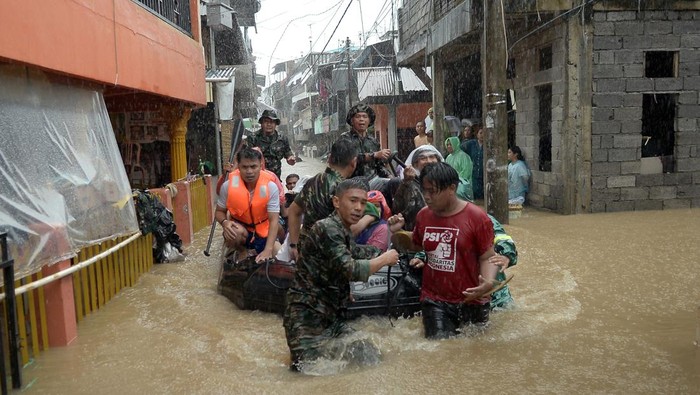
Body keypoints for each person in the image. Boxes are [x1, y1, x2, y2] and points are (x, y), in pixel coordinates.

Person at [283, 178, 400, 372]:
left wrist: (390, 233)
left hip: (331, 315)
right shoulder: (327, 228)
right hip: (307, 318)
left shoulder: (340, 229)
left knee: (369, 354)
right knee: (307, 376)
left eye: (363, 203)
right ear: (336, 202)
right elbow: (351, 269)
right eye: (352, 201)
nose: (358, 208)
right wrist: (385, 259)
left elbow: (356, 252)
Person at [399, 162, 498, 339]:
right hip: (434, 299)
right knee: (439, 350)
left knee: (477, 354)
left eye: (432, 191)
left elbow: (487, 257)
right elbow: (415, 245)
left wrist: (488, 282)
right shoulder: (423, 215)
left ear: (452, 188)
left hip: (471, 299)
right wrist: (396, 231)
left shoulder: (477, 217)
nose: (427, 197)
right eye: (424, 190)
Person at [287, 139, 366, 261]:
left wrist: (293, 245)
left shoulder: (314, 180)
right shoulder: (344, 191)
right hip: (331, 255)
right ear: (353, 162)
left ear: (329, 159)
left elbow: (293, 211)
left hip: (306, 251)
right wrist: (371, 216)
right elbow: (349, 229)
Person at [214, 147, 281, 262]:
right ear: (238, 166)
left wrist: (268, 250)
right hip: (242, 229)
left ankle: (260, 250)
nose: (249, 171)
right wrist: (225, 223)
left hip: (264, 230)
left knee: (278, 252)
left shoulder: (271, 187)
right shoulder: (228, 186)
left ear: (261, 165)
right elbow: (219, 212)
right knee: (233, 231)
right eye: (245, 167)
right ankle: (241, 251)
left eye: (253, 167)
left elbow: (274, 220)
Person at [392, 145, 473, 230]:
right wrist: (406, 183)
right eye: (423, 158)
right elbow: (397, 208)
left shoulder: (450, 181)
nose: (428, 161)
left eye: (432, 157)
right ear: (416, 164)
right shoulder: (409, 184)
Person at [340, 103, 391, 184]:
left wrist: (389, 176)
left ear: (369, 121)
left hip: (373, 181)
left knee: (396, 182)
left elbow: (379, 166)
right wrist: (374, 155)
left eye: (365, 116)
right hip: (352, 183)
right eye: (358, 116)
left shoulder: (373, 141)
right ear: (352, 121)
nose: (361, 119)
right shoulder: (345, 138)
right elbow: (350, 159)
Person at [246, 109, 295, 180]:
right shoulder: (253, 138)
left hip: (275, 178)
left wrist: (291, 159)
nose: (269, 124)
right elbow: (246, 158)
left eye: (272, 122)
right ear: (261, 123)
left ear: (275, 124)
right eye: (266, 121)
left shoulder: (282, 139)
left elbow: (288, 153)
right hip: (257, 178)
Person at [461, 124, 484, 199]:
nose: (482, 135)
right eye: (480, 133)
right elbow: (459, 148)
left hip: (484, 173)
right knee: (474, 193)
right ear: (477, 134)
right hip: (473, 172)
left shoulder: (488, 145)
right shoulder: (471, 143)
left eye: (484, 133)